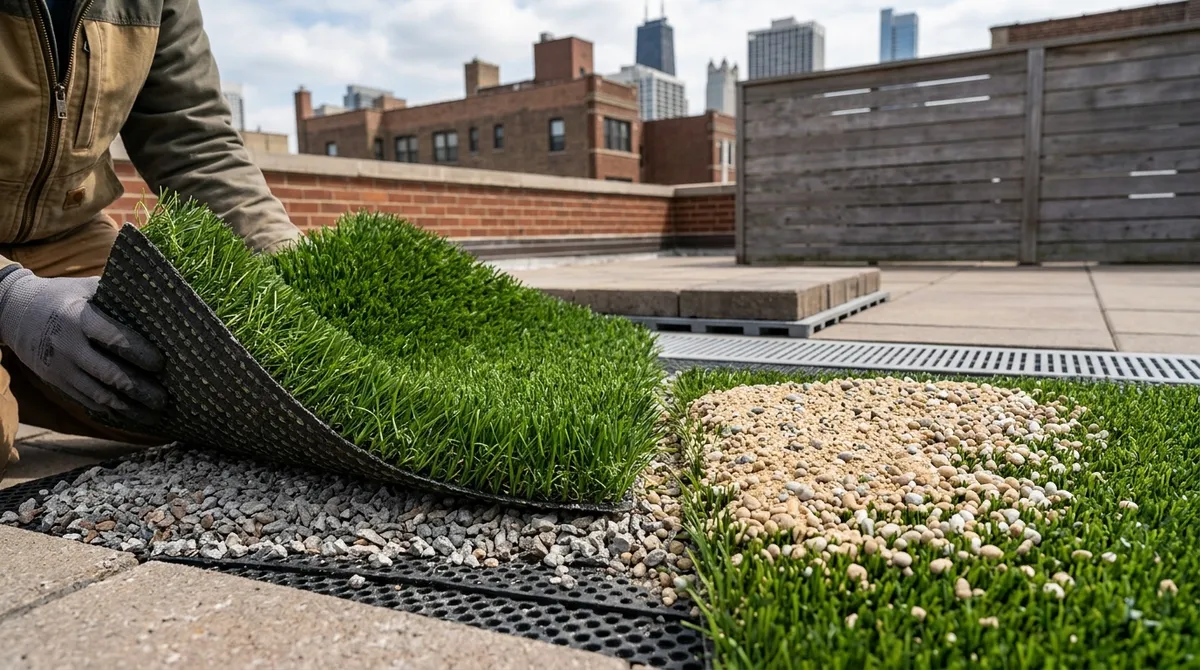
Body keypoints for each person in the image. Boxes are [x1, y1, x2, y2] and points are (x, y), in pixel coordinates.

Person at [0, 0, 300, 481]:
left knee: (225, 397)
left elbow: (194, 139)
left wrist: (286, 259)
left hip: (64, 233)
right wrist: (10, 298)